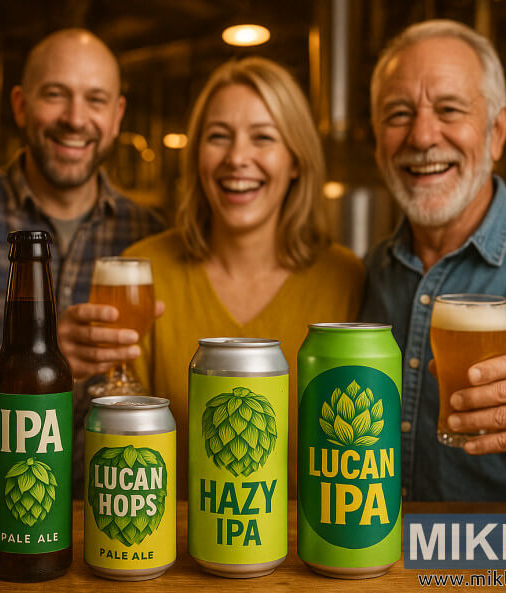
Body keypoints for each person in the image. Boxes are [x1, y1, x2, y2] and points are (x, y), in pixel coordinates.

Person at [61, 57, 364, 498]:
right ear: (196, 156)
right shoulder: (142, 271)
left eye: (263, 138)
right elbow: (112, 444)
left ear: (296, 160)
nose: (237, 158)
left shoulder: (345, 277)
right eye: (218, 137)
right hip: (172, 551)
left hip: (308, 552)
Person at [361, 19, 506, 501]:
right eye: (398, 114)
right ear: (377, 137)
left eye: (449, 109)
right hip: (383, 571)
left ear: (498, 130)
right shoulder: (368, 271)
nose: (423, 137)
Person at [0, 29, 164, 493]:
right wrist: (40, 367)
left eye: (95, 100)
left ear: (116, 117)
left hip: (115, 510)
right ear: (20, 105)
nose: (75, 119)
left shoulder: (150, 236)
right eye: (55, 95)